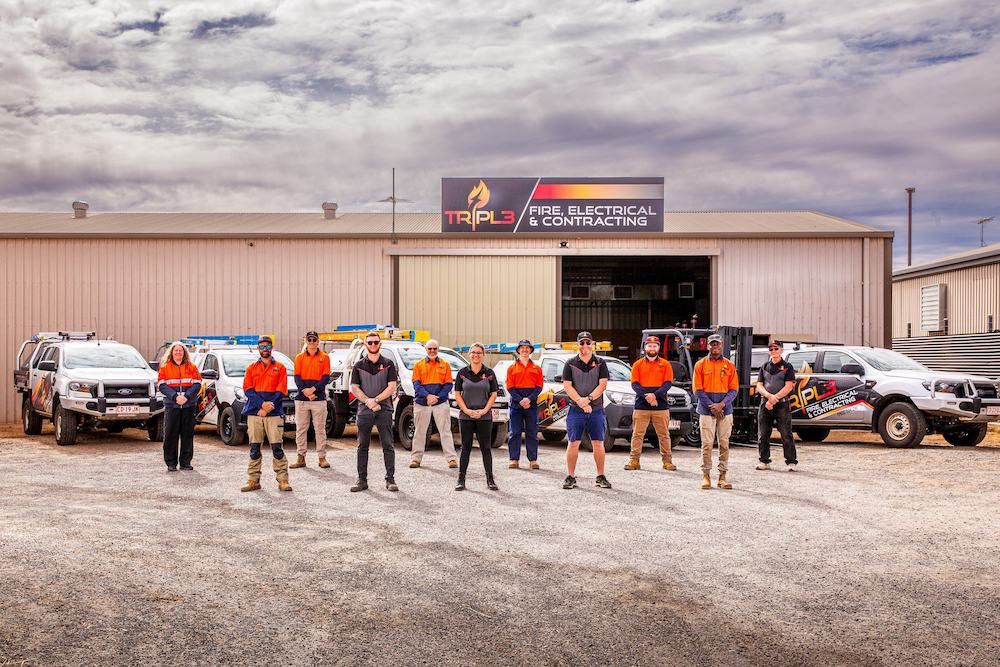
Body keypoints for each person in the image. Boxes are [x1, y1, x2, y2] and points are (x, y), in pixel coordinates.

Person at [240, 336, 292, 492]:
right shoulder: (251, 368)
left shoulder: (280, 368)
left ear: (272, 348)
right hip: (255, 412)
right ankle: (253, 480)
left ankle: (283, 480)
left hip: (274, 413)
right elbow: (248, 389)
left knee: (277, 448)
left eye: (267, 346)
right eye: (262, 346)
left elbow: (281, 390)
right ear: (258, 348)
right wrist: (261, 405)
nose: (265, 349)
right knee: (254, 448)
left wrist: (268, 407)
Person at [561, 331, 612, 490]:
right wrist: (581, 402)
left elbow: (603, 385)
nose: (585, 345)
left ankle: (600, 476)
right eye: (582, 343)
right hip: (576, 409)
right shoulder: (570, 363)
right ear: (577, 344)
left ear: (592, 344)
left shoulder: (601, 363)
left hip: (596, 410)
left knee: (598, 443)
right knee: (573, 443)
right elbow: (567, 386)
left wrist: (588, 400)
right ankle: (570, 476)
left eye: (588, 342)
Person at [350, 331, 399, 492]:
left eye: (375, 342)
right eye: (369, 342)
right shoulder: (358, 365)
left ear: (380, 344)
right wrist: (368, 402)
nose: (373, 345)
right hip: (365, 410)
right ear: (365, 344)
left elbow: (392, 387)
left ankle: (390, 480)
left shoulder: (389, 364)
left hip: (384, 410)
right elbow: (354, 387)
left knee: (388, 445)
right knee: (362, 446)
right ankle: (361, 480)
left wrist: (376, 400)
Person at [693, 334, 739, 490]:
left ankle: (722, 476)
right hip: (706, 411)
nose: (715, 347)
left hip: (725, 410)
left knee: (724, 444)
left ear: (722, 345)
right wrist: (712, 406)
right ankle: (706, 476)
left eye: (717, 344)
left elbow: (734, 389)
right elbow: (698, 390)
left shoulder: (729, 365)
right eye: (712, 344)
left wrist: (722, 405)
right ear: (708, 346)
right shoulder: (700, 365)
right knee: (707, 444)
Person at [625, 335, 676, 471]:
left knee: (664, 435)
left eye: (655, 346)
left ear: (658, 348)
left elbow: (667, 383)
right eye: (649, 346)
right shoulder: (637, 365)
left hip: (661, 406)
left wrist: (655, 395)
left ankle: (667, 462)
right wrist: (647, 396)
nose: (652, 348)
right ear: (645, 347)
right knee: (637, 434)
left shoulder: (666, 364)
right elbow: (635, 384)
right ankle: (634, 461)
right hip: (641, 406)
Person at [454, 343, 499, 491]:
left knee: (485, 448)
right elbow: (457, 394)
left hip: (484, 417)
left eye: (479, 352)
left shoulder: (490, 373)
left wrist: (484, 410)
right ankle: (461, 480)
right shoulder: (462, 373)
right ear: (469, 354)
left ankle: (490, 480)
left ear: (483, 355)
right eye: (473, 352)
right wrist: (466, 410)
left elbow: (494, 394)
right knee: (465, 448)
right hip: (466, 417)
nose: (476, 355)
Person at [409, 339, 458, 469]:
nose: (432, 351)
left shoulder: (445, 365)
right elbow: (416, 385)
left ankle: (452, 459)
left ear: (438, 349)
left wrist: (437, 397)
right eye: (430, 348)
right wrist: (428, 396)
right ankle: (415, 459)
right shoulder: (418, 365)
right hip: (422, 403)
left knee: (445, 431)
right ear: (426, 349)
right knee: (419, 432)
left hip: (440, 403)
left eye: (434, 348)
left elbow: (448, 384)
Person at [157, 342, 202, 472]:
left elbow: (197, 384)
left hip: (188, 405)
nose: (178, 352)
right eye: (175, 350)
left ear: (184, 353)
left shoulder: (192, 367)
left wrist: (186, 397)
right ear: (171, 353)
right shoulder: (165, 368)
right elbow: (162, 385)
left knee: (187, 435)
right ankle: (171, 463)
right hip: (172, 405)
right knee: (170, 434)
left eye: (180, 350)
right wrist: (175, 397)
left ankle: (185, 463)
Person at [755, 341, 799, 472]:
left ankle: (791, 461)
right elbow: (759, 385)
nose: (773, 351)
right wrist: (769, 397)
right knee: (763, 434)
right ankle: (764, 461)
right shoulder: (764, 366)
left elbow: (789, 386)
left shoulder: (787, 367)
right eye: (771, 349)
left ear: (781, 350)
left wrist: (775, 399)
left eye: (776, 349)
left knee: (786, 434)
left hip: (782, 404)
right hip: (765, 403)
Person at [290, 331, 331, 469]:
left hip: (319, 399)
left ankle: (322, 457)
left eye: (314, 340)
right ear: (305, 341)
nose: (312, 342)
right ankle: (300, 457)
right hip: (302, 399)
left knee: (320, 429)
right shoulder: (299, 357)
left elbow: (325, 378)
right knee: (301, 429)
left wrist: (313, 390)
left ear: (318, 341)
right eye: (309, 340)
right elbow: (297, 377)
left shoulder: (325, 357)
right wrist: (306, 392)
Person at [506, 339, 543, 469]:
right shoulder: (511, 368)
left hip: (531, 404)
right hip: (516, 404)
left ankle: (533, 460)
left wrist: (529, 399)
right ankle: (514, 459)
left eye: (527, 348)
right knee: (515, 432)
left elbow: (539, 387)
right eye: (522, 348)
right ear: (518, 350)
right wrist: (520, 400)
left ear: (531, 350)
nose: (525, 350)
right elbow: (510, 387)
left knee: (532, 432)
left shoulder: (537, 368)